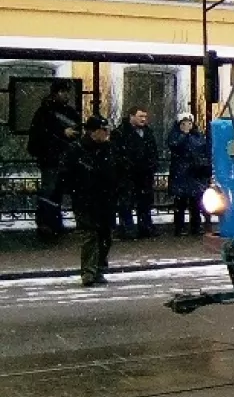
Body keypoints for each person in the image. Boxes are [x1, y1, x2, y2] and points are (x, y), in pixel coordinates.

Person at [62, 116, 120, 287]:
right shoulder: (77, 149)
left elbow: (119, 170)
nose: (107, 134)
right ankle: (89, 271)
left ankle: (100, 268)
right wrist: (77, 189)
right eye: (104, 130)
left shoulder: (109, 149)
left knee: (105, 234)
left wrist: (117, 188)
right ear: (94, 132)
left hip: (106, 199)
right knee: (90, 234)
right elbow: (66, 174)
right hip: (85, 199)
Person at [26, 82, 80, 242]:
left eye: (67, 92)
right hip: (51, 159)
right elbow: (41, 135)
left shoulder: (50, 112)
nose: (66, 95)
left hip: (61, 159)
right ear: (54, 93)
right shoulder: (45, 113)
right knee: (50, 191)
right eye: (62, 92)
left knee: (55, 192)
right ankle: (47, 224)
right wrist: (62, 133)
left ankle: (53, 224)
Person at [113, 108, 159, 239]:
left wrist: (151, 165)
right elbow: (117, 154)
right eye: (140, 116)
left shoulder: (148, 133)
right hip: (128, 175)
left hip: (144, 175)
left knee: (144, 203)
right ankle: (128, 229)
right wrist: (127, 166)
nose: (143, 119)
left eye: (145, 116)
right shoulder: (121, 133)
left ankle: (145, 228)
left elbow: (153, 152)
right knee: (126, 203)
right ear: (131, 116)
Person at [166, 113, 209, 237]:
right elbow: (174, 145)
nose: (187, 126)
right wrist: (183, 134)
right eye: (184, 123)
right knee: (180, 202)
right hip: (181, 173)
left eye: (190, 123)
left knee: (196, 202)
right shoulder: (175, 135)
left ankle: (196, 226)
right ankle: (179, 227)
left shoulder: (197, 135)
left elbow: (203, 149)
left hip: (195, 173)